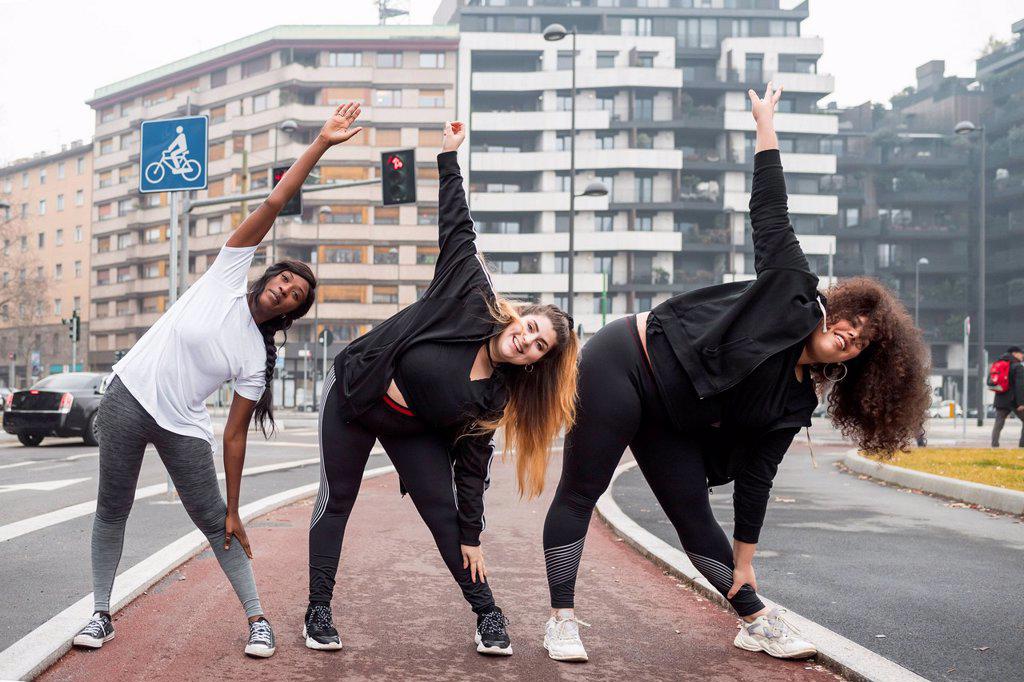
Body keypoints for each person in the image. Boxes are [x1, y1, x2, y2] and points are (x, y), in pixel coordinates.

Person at [540, 83, 932, 663]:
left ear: (858, 362)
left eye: (862, 345)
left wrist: (745, 562)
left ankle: (753, 617)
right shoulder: (790, 291)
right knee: (581, 488)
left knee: (694, 515)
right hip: (626, 358)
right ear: (836, 308)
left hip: (671, 415)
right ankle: (562, 620)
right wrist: (764, 124)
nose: (851, 336)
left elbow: (756, 480)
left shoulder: (795, 405)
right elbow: (770, 210)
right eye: (852, 322)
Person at [72, 103, 364, 658]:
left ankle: (258, 620)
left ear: (291, 314)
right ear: (267, 277)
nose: (285, 289)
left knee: (215, 522)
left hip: (183, 425)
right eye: (283, 279)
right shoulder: (226, 276)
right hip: (126, 399)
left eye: (296, 295)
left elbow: (233, 436)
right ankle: (100, 614)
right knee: (113, 507)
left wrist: (235, 504)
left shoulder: (256, 355)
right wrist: (321, 144)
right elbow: (275, 202)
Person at [304, 120, 579, 657]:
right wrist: (448, 159)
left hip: (412, 430)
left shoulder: (495, 398)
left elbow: (472, 471)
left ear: (539, 361)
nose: (527, 341)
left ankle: (488, 614)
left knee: (445, 517)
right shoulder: (470, 294)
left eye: (540, 346)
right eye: (531, 328)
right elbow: (459, 228)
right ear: (519, 318)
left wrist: (473, 533)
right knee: (337, 500)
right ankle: (318, 609)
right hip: (358, 394)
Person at [991, 345, 1024, 448]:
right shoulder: (1018, 367)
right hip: (1014, 400)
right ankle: (1022, 445)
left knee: (998, 423)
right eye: (1021, 353)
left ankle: (994, 445)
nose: (1022, 355)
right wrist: (1021, 403)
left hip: (1000, 399)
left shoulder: (999, 363)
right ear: (1014, 354)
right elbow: (1020, 386)